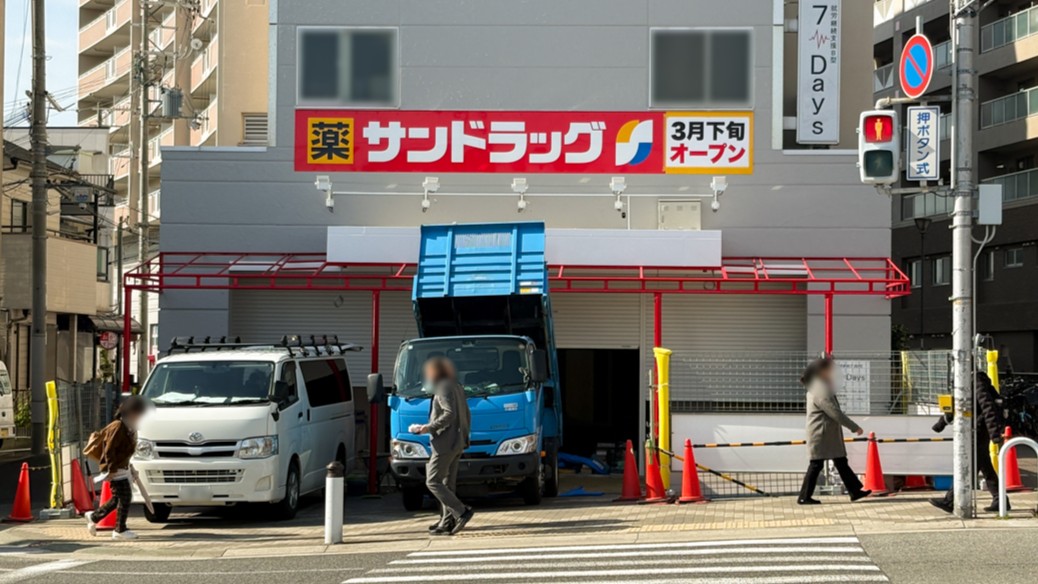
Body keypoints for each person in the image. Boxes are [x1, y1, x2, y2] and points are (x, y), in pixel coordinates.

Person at [410, 356, 473, 535]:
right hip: (457, 441)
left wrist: (427, 428)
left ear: (435, 371)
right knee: (447, 483)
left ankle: (461, 511)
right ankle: (446, 522)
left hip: (445, 442)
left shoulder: (443, 386)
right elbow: (467, 414)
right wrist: (465, 437)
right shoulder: (457, 386)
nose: (427, 375)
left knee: (433, 481)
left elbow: (449, 414)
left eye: (429, 371)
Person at [930, 371, 1008, 514]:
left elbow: (987, 405)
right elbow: (958, 403)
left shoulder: (975, 379)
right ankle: (1001, 499)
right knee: (985, 466)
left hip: (978, 429)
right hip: (976, 429)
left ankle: (950, 500)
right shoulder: (965, 378)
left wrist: (994, 433)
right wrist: (940, 424)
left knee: (969, 467)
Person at [797, 357, 872, 505]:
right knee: (816, 464)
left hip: (825, 433)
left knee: (840, 461)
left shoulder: (819, 385)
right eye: (831, 369)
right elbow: (834, 411)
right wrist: (853, 426)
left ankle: (855, 491)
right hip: (821, 434)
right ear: (822, 370)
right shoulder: (820, 388)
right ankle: (804, 497)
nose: (832, 372)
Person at [85, 395, 148, 539]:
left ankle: (94, 517)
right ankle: (120, 529)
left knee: (117, 498)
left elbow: (123, 451)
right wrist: (112, 470)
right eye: (139, 413)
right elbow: (110, 449)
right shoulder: (118, 426)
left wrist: (130, 468)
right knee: (125, 497)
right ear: (132, 412)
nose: (140, 417)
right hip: (115, 469)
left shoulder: (128, 426)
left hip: (121, 468)